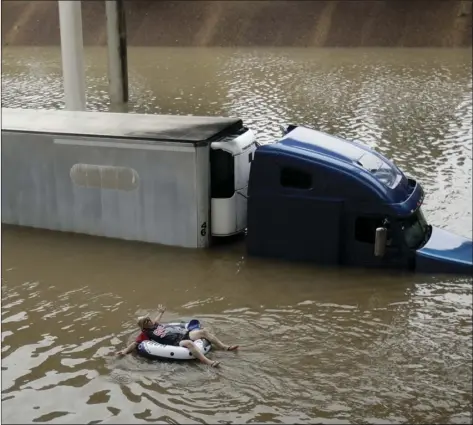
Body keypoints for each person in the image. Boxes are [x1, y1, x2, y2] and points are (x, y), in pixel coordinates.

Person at [116, 305, 238, 367]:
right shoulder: (145, 334)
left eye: (149, 319)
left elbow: (157, 318)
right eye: (147, 321)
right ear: (144, 326)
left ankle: (225, 347)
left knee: (204, 332)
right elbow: (135, 344)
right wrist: (125, 351)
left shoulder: (154, 324)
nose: (150, 321)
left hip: (184, 334)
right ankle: (208, 362)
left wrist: (161, 312)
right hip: (176, 343)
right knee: (189, 344)